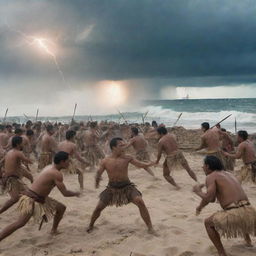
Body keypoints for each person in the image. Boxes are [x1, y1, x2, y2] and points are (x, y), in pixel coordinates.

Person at [0, 151, 80, 241]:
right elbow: (65, 193)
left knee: (61, 208)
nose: (69, 163)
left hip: (40, 198)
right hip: (32, 200)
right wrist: (76, 193)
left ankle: (53, 230)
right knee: (20, 223)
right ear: (62, 162)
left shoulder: (49, 167)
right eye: (68, 161)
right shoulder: (56, 174)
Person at [87, 137, 155, 234]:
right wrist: (97, 182)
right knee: (98, 208)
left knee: (140, 202)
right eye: (121, 145)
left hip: (127, 187)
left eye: (124, 144)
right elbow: (98, 173)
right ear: (113, 147)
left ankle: (150, 228)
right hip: (111, 189)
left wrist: (150, 163)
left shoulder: (127, 158)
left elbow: (140, 165)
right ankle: (90, 225)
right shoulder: (106, 161)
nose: (124, 147)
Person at [193, 155, 256, 256]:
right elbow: (210, 199)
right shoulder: (228, 174)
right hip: (250, 211)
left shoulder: (210, 176)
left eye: (203, 165)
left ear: (208, 166)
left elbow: (210, 198)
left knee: (208, 223)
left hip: (235, 212)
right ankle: (248, 242)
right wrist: (200, 207)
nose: (202, 167)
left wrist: (197, 191)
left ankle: (222, 253)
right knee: (241, 214)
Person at [0, 136, 33, 214]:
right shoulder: (18, 153)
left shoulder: (9, 152)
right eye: (22, 143)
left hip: (13, 179)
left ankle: (28, 212)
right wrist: (32, 160)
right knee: (15, 199)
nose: (23, 145)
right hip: (12, 180)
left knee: (28, 195)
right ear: (18, 144)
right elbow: (28, 161)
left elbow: (1, 162)